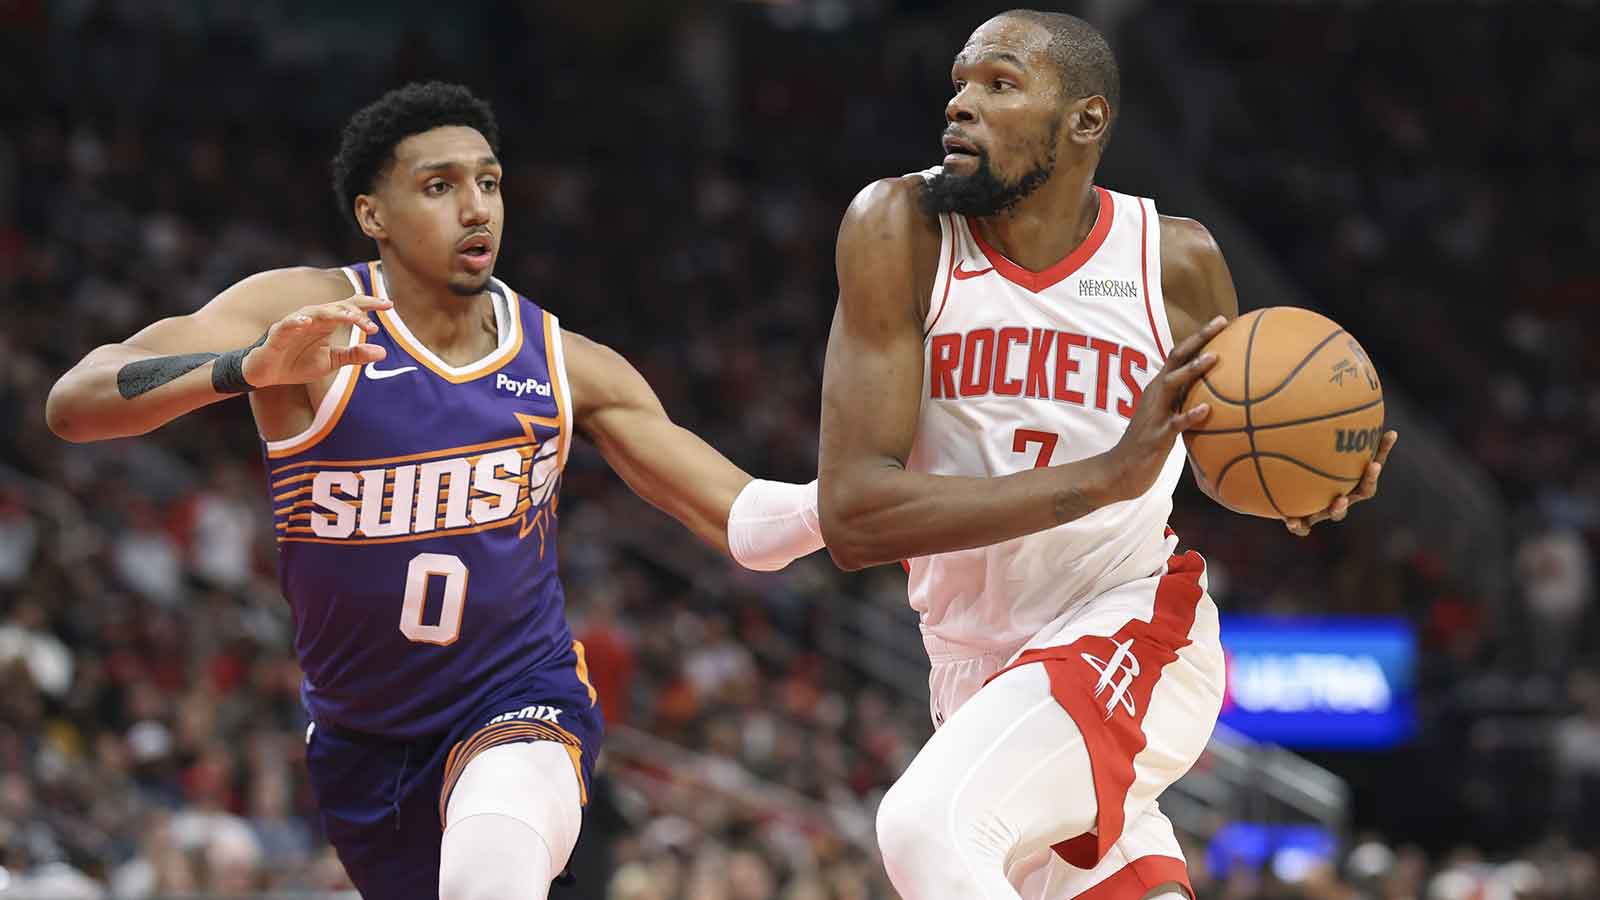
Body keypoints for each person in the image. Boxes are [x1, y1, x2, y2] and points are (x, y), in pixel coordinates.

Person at [45, 82, 825, 900]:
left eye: (488, 182)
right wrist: (244, 369)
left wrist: (844, 503)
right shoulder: (307, 314)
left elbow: (746, 519)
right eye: (440, 186)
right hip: (363, 744)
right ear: (372, 214)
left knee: (491, 869)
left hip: (523, 703)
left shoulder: (565, 364)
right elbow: (76, 400)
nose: (477, 207)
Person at [817, 11, 1397, 900]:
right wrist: (1101, 477)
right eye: (959, 84)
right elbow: (854, 515)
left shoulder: (1175, 263)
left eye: (999, 85)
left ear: (1085, 120)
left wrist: (1298, 488)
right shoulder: (899, 226)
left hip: (1132, 626)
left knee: (929, 827)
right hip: (973, 664)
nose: (961, 105)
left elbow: (1221, 457)